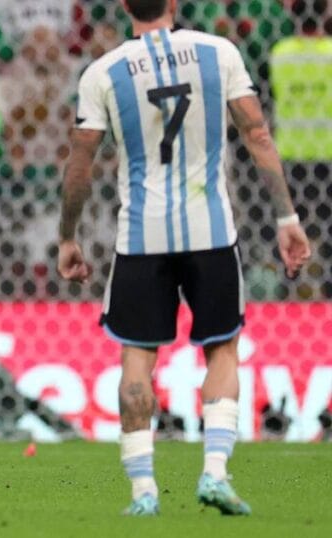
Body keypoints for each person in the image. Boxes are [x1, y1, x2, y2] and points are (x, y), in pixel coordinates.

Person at [56, 0, 311, 516]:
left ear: (124, 5)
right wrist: (287, 217)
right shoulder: (219, 53)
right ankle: (214, 472)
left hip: (141, 236)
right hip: (210, 230)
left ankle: (143, 492)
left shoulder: (103, 72)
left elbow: (81, 162)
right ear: (173, 2)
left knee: (137, 358)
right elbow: (257, 134)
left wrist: (68, 236)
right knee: (221, 349)